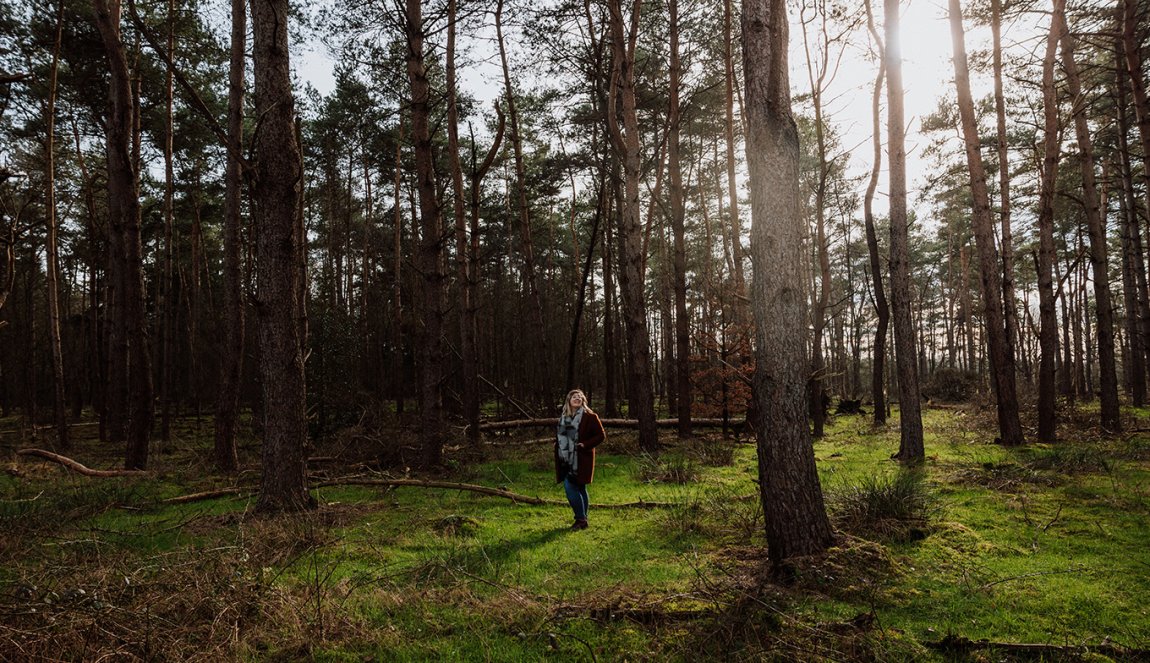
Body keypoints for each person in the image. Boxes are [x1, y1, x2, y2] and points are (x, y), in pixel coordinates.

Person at [555, 389, 606, 530]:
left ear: (583, 400)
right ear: (569, 401)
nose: (577, 398)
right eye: (574, 397)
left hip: (582, 458)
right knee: (580, 487)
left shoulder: (590, 417)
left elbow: (601, 436)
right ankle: (583, 519)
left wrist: (585, 445)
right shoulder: (564, 417)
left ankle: (580, 519)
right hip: (565, 459)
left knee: (570, 486)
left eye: (579, 397)